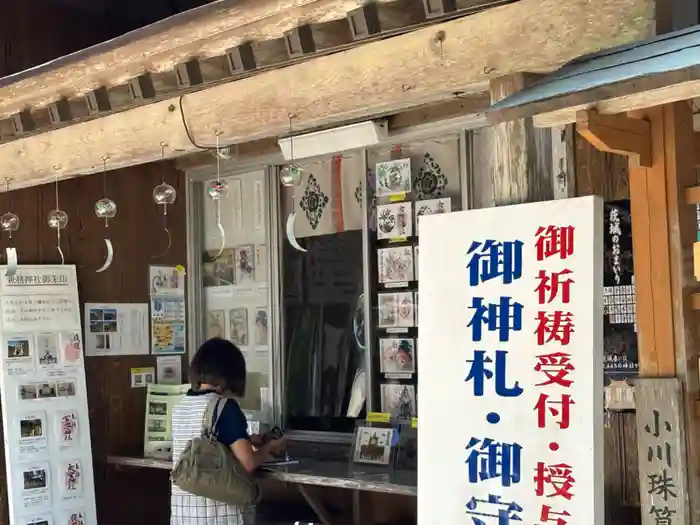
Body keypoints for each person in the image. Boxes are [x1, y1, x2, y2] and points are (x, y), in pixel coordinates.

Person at [171, 338, 285, 525]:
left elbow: (206, 441)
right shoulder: (224, 407)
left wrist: (251, 439)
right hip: (217, 514)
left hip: (183, 512)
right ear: (229, 375)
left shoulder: (181, 405)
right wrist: (269, 447)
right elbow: (248, 463)